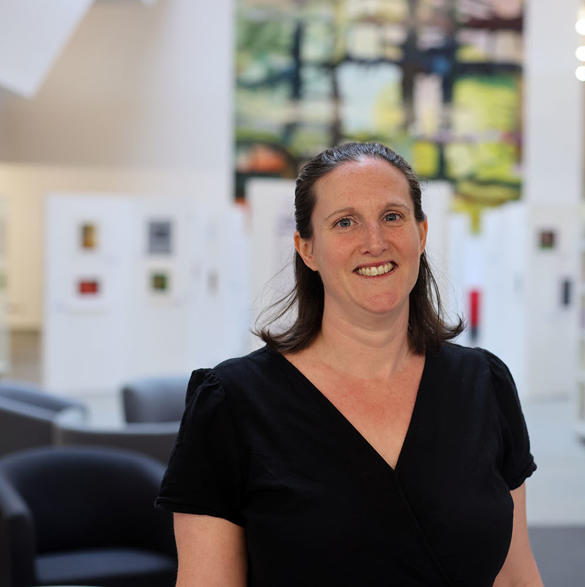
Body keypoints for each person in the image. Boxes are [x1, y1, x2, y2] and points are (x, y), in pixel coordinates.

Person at [156, 142, 542, 586]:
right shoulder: (231, 404)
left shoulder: (483, 384)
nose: (375, 242)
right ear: (307, 249)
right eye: (345, 222)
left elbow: (515, 576)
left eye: (393, 217)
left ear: (422, 233)